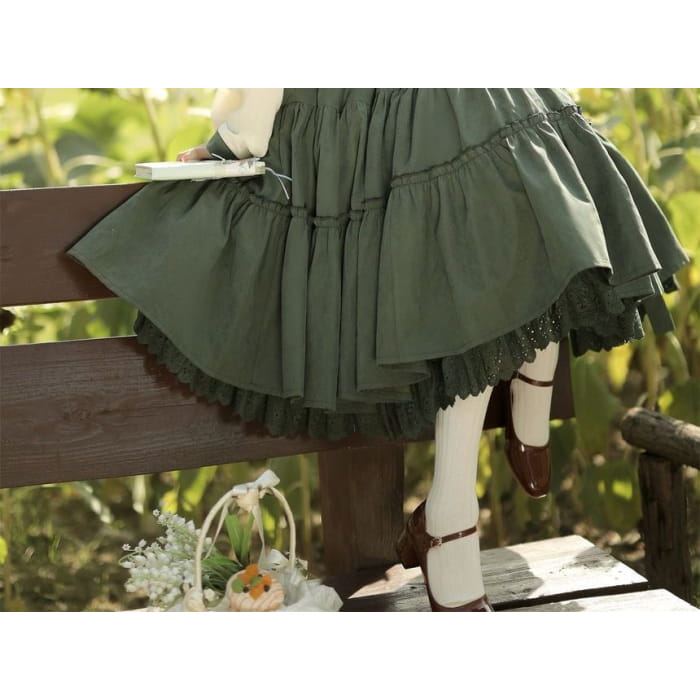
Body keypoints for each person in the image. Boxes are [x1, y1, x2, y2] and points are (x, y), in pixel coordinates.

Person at [65, 88, 690, 611]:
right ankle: (457, 506)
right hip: (362, 122)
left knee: (504, 148)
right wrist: (239, 136)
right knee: (478, 166)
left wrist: (237, 134)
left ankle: (513, 408)